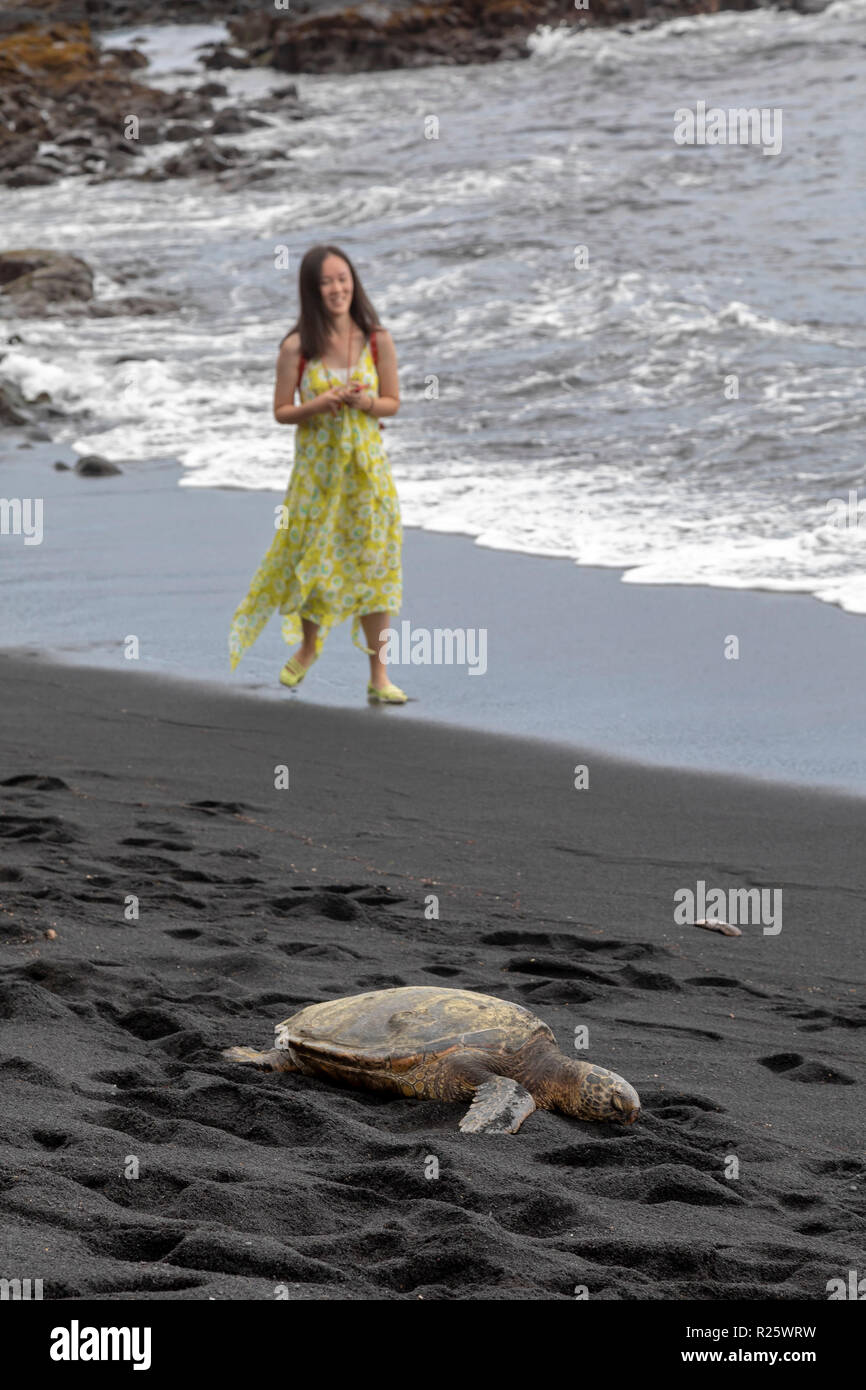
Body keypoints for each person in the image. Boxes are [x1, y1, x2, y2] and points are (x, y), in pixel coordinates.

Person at [228, 244, 408, 703]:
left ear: (354, 282)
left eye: (343, 279)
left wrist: (364, 403)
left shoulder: (376, 339)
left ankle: (379, 676)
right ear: (312, 289)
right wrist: (321, 404)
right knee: (313, 562)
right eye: (327, 282)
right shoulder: (297, 347)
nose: (337, 289)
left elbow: (391, 403)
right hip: (316, 476)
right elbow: (281, 411)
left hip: (368, 475)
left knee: (377, 569)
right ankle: (308, 646)